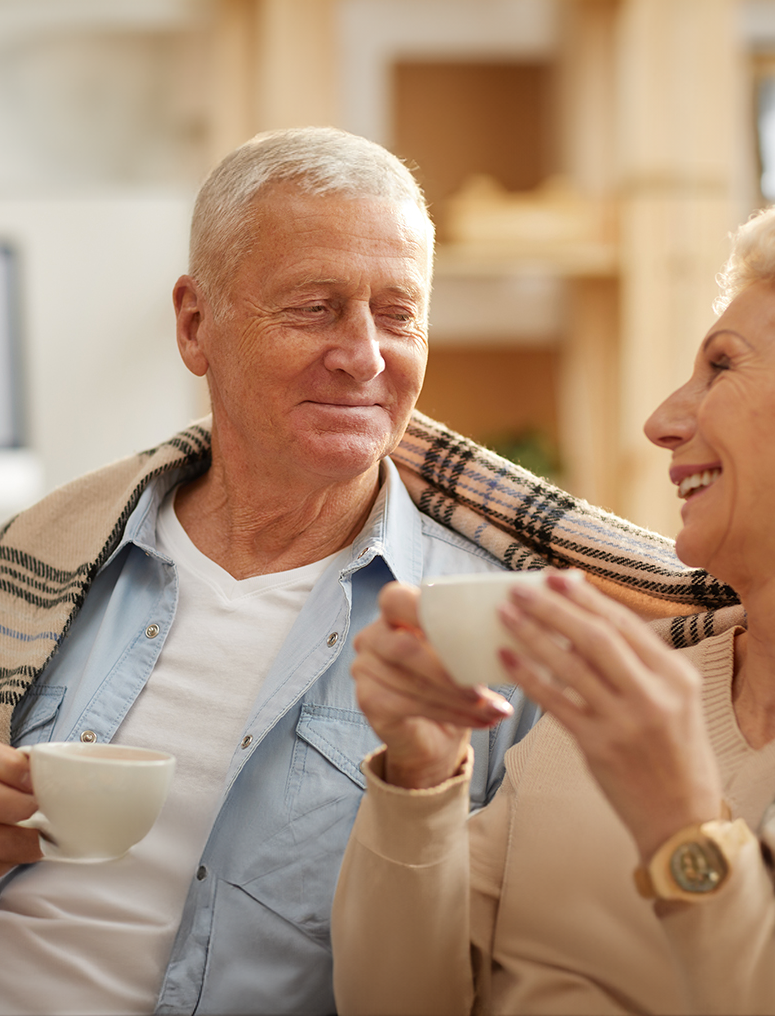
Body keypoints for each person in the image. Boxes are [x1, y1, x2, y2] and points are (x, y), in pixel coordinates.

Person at [333, 202, 775, 1015]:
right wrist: (418, 775)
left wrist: (682, 827)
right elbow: (393, 1003)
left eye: (721, 367)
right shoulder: (631, 690)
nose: (661, 422)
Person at [0, 126, 561, 1016]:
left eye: (399, 312)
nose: (365, 355)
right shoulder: (44, 557)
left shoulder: (491, 637)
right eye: (315, 306)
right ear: (196, 324)